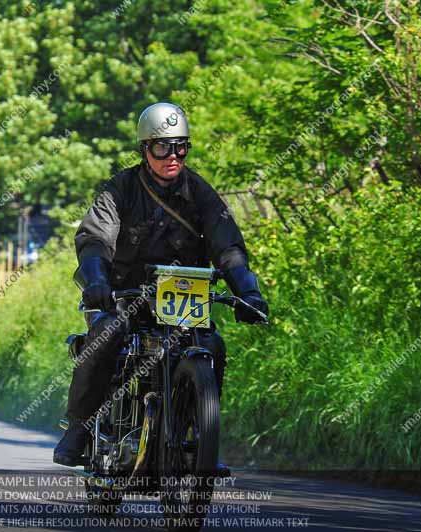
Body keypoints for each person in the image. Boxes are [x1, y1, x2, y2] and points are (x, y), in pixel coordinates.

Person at [53, 102, 268, 471]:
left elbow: (227, 244)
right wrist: (97, 281)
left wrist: (248, 291)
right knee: (107, 333)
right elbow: (94, 240)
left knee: (211, 344)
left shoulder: (201, 192)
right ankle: (80, 428)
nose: (173, 156)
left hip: (181, 298)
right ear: (144, 149)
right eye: (162, 147)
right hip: (123, 295)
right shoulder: (120, 189)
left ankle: (198, 443)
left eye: (181, 146)